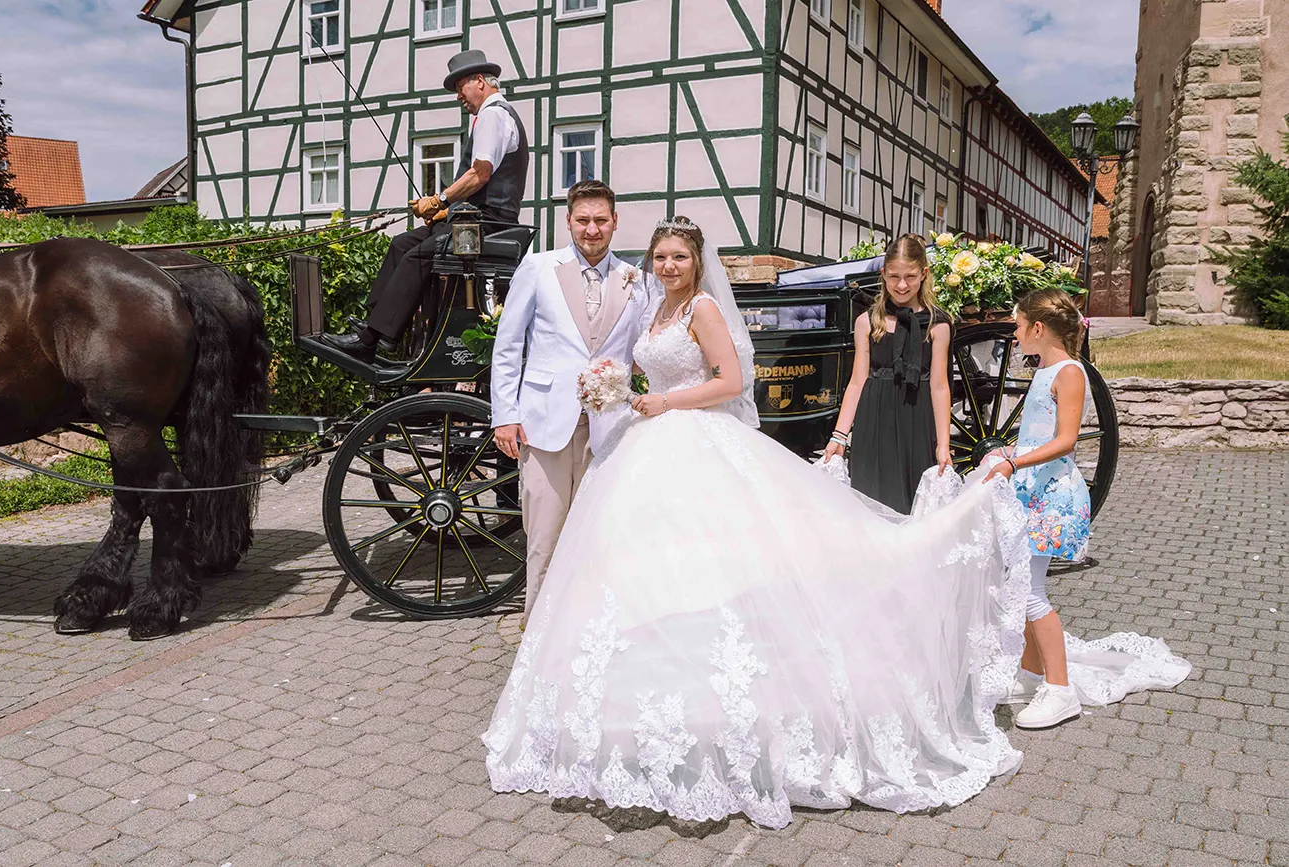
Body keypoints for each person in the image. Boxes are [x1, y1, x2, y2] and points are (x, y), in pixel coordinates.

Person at [482, 219, 1192, 827]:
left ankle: (1036, 667)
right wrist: (622, 386)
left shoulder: (700, 307)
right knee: (647, 568)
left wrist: (664, 405)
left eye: (679, 256)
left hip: (692, 439)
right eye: (660, 256)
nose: (668, 265)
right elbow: (656, 368)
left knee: (723, 560)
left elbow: (731, 382)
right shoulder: (655, 310)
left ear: (697, 262)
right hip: (648, 450)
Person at [984, 289, 1191, 729]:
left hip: (1052, 496)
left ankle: (1060, 691)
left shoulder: (1070, 373)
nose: (1015, 334)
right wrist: (1010, 449)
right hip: (1031, 491)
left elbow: (1065, 442)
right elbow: (1038, 433)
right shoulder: (1045, 369)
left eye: (1018, 326)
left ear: (1038, 329)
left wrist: (1013, 462)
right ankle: (1031, 672)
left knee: (1032, 593)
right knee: (1021, 585)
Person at [489, 180, 653, 630]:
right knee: (544, 531)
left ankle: (587, 628)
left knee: (598, 532)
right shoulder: (539, 267)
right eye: (583, 220)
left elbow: (645, 348)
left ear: (615, 222)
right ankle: (537, 628)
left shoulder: (635, 279)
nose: (592, 229)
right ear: (568, 221)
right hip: (545, 422)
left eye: (601, 220)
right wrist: (505, 415)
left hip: (610, 425)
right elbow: (508, 345)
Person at [325, 49, 530, 361]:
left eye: (460, 88)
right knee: (401, 244)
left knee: (418, 256)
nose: (459, 97)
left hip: (490, 222)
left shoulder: (492, 114)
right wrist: (442, 213)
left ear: (479, 81)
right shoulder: (492, 115)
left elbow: (480, 173)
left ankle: (376, 337)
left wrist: (437, 201)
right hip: (474, 219)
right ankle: (375, 326)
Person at [823, 234, 952, 513]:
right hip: (874, 421)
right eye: (894, 276)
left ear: (924, 274)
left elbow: (940, 386)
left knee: (914, 505)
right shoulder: (867, 322)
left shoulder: (938, 326)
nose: (902, 285)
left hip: (917, 420)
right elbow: (857, 382)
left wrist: (944, 445)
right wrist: (839, 435)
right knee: (871, 501)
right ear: (883, 275)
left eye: (910, 276)